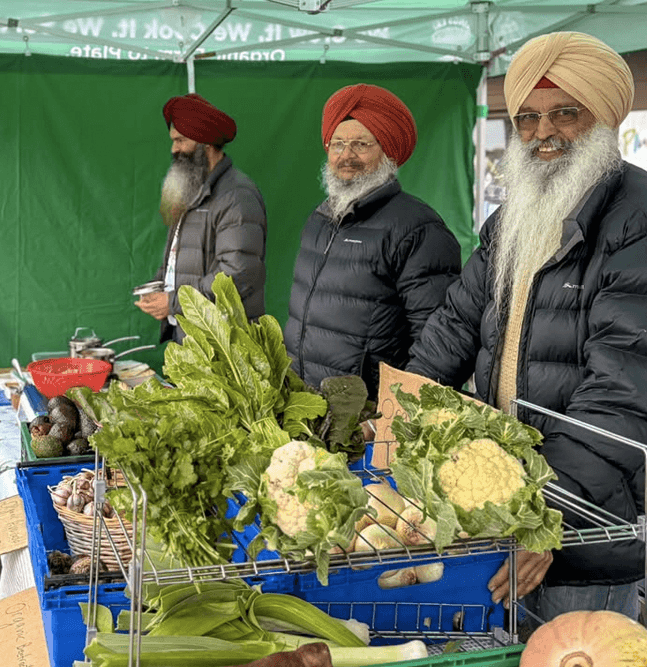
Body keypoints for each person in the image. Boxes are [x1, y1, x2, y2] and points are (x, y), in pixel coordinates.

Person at [406, 32, 647, 623]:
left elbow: (623, 389)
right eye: (528, 118)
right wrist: (399, 410)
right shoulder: (511, 219)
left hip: (584, 533)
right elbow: (455, 325)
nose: (544, 132)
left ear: (606, 117)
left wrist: (548, 515)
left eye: (566, 112)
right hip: (502, 510)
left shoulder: (637, 219)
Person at [283, 84, 461, 400]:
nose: (346, 156)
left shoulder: (418, 229)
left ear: (389, 152)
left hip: (365, 416)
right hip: (303, 402)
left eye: (361, 144)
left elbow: (438, 342)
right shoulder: (319, 220)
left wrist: (393, 413)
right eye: (337, 144)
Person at [136, 93, 267, 343]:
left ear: (204, 142)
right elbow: (177, 257)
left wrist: (173, 301)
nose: (174, 149)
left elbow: (237, 274)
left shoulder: (237, 195)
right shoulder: (192, 189)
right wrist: (158, 288)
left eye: (180, 140)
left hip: (222, 343)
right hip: (189, 334)